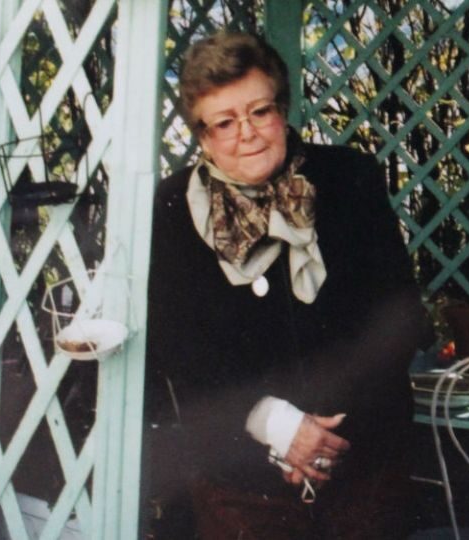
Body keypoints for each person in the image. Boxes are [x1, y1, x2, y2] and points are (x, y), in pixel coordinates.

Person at [142, 30, 432, 539]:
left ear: (282, 109)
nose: (247, 134)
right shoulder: (172, 209)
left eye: (260, 111)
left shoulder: (349, 178)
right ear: (203, 137)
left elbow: (399, 317)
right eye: (224, 122)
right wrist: (277, 425)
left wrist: (318, 436)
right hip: (240, 480)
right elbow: (178, 347)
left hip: (362, 462)